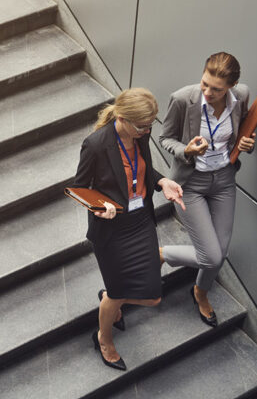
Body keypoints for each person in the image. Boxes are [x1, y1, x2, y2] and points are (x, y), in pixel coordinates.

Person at [72, 88, 185, 371]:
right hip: (111, 232)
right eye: (143, 126)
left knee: (153, 296)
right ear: (122, 118)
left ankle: (109, 299)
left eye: (150, 125)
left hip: (140, 223)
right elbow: (79, 189)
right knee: (118, 292)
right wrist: (99, 206)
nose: (148, 131)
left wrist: (162, 182)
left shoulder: (140, 135)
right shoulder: (96, 145)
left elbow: (143, 170)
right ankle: (104, 337)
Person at [159, 52, 256, 328]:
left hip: (224, 180)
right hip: (190, 183)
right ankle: (162, 254)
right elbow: (165, 138)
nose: (208, 92)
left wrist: (248, 144)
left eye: (217, 89)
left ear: (233, 86)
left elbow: (244, 132)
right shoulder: (182, 99)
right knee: (211, 256)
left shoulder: (242, 96)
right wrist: (186, 150)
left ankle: (199, 291)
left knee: (219, 253)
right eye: (205, 84)